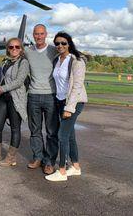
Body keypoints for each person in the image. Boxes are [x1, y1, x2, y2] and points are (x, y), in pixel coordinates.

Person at [45, 32, 87, 182]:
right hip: (59, 100)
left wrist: (69, 108)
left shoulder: (77, 61)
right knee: (69, 136)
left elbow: (77, 86)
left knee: (62, 135)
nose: (60, 46)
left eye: (63, 43)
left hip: (73, 103)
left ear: (69, 43)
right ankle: (75, 167)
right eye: (57, 43)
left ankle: (62, 171)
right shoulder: (57, 59)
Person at [0, 38, 29, 166]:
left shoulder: (23, 62)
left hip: (15, 98)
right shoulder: (5, 62)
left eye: (17, 47)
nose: (14, 49)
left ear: (21, 49)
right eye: (11, 47)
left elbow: (19, 81)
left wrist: (3, 88)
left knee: (15, 129)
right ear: (8, 49)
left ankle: (11, 157)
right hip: (2, 98)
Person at [25, 24, 58, 174]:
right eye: (36, 34)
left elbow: (69, 57)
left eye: (41, 34)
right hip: (33, 95)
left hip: (50, 96)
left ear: (46, 34)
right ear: (33, 35)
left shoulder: (53, 50)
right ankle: (38, 157)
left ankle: (49, 162)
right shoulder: (28, 51)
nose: (39, 36)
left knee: (51, 132)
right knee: (35, 130)